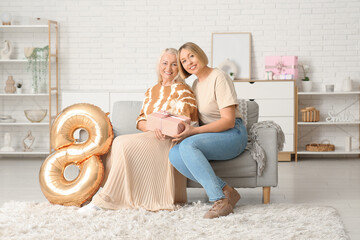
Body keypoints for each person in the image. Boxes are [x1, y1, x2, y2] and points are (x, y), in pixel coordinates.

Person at [79, 48, 198, 213]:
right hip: (151, 135)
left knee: (121, 143)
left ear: (180, 68)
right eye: (165, 63)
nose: (168, 68)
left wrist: (165, 129)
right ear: (159, 65)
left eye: (174, 64)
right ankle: (111, 195)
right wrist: (153, 126)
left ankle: (105, 201)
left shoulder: (184, 91)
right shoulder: (152, 91)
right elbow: (141, 120)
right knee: (114, 145)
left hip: (169, 141)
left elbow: (185, 123)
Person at [169, 42, 248, 219]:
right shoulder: (196, 84)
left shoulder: (219, 77)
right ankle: (227, 191)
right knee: (174, 153)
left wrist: (194, 133)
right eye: (183, 61)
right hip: (213, 135)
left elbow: (227, 121)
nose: (189, 62)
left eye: (191, 56)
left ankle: (219, 200)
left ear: (200, 55)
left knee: (188, 145)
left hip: (233, 134)